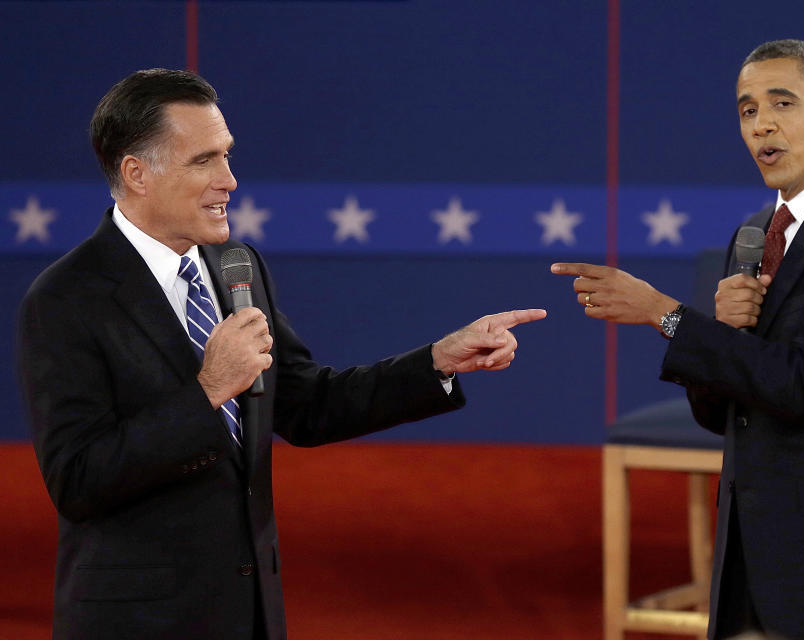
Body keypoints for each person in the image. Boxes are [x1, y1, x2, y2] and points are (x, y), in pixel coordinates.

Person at [17, 68, 546, 640]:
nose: (230, 179)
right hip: (138, 620)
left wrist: (438, 360)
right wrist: (209, 390)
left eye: (228, 155)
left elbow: (307, 404)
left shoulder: (236, 267)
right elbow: (77, 482)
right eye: (204, 161)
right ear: (136, 173)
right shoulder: (68, 298)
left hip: (250, 614)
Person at [552, 40, 804, 639]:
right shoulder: (754, 235)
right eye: (747, 110)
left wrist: (666, 314)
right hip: (751, 556)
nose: (763, 124)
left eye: (782, 102)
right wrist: (725, 333)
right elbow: (722, 414)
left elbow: (803, 386)